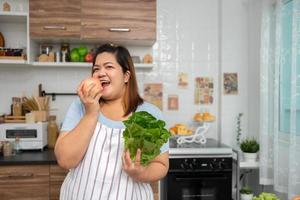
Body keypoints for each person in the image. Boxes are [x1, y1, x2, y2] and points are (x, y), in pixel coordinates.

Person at [54, 43, 169, 200]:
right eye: (96, 69)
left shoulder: (148, 114)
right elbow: (65, 160)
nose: (101, 73)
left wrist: (141, 173)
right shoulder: (80, 106)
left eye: (108, 67)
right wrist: (91, 112)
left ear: (126, 76)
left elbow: (161, 165)